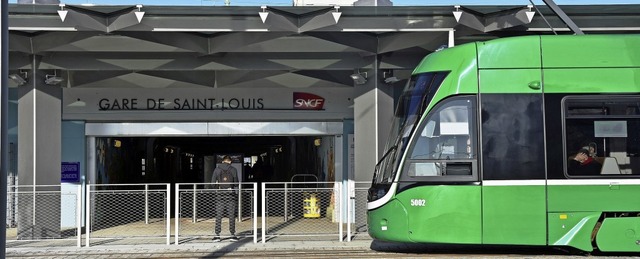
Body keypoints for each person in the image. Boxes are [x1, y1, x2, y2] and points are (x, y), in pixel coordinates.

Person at [211, 155, 239, 242]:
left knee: (219, 215)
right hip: (230, 195)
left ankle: (217, 235)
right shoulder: (233, 169)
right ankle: (232, 235)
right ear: (230, 161)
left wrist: (218, 187)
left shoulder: (217, 169)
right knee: (231, 215)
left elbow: (212, 183)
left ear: (223, 161)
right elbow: (236, 183)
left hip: (220, 195)